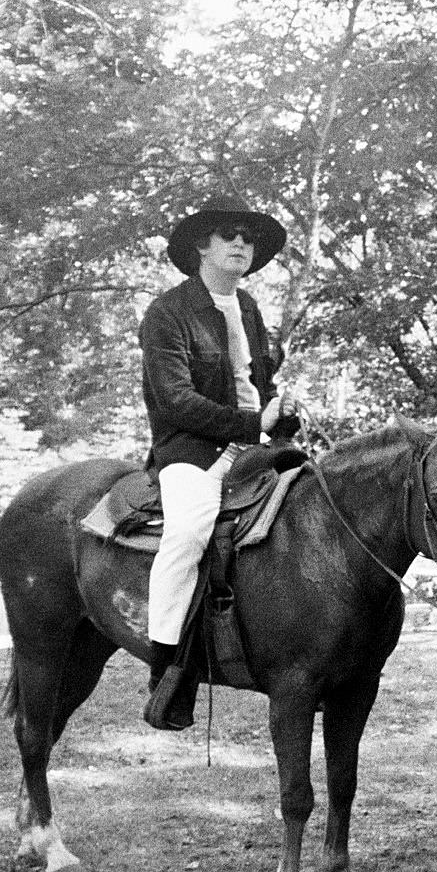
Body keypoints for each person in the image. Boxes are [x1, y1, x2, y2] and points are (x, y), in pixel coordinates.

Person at [140, 194, 301, 730]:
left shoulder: (249, 308)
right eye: (230, 233)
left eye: (248, 237)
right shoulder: (169, 312)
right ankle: (166, 667)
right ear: (199, 246)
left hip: (256, 448)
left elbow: (258, 386)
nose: (241, 243)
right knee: (187, 533)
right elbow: (174, 401)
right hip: (192, 450)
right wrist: (251, 423)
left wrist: (279, 414)